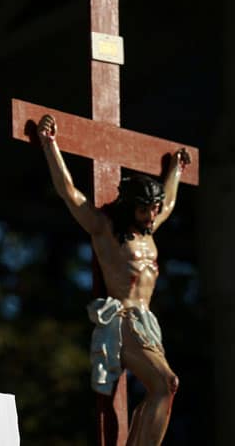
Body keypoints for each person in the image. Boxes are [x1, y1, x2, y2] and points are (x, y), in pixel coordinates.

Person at [36, 115, 191, 446]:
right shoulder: (105, 229)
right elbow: (69, 193)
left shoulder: (149, 230)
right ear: (129, 206)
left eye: (154, 208)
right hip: (122, 320)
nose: (152, 215)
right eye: (144, 209)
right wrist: (50, 145)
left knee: (165, 389)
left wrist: (175, 169)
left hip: (147, 323)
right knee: (166, 384)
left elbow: (171, 200)